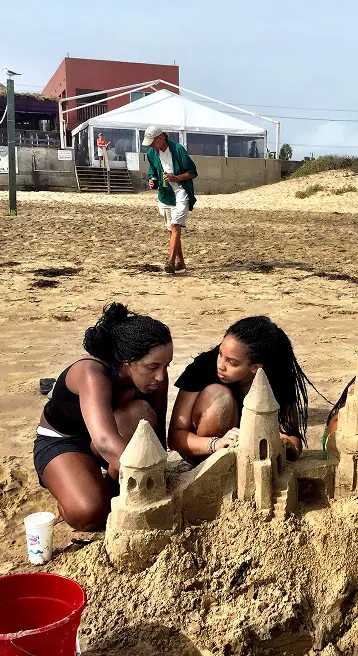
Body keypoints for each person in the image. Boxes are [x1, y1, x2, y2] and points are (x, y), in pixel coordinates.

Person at [34, 303, 172, 531]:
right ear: (127, 361)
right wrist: (148, 474)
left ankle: (104, 485)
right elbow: (105, 441)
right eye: (152, 367)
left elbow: (155, 433)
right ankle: (70, 486)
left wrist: (160, 472)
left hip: (110, 437)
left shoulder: (156, 379)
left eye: (166, 366)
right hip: (65, 440)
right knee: (90, 513)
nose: (160, 375)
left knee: (141, 415)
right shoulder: (91, 372)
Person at [169, 316, 310, 464]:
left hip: (249, 457)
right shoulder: (203, 367)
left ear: (255, 367)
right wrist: (216, 444)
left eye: (232, 362)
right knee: (220, 396)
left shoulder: (276, 377)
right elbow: (175, 437)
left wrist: (285, 445)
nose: (220, 365)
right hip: (203, 450)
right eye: (220, 353)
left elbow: (292, 439)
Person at [144, 125, 197, 274]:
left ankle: (170, 262)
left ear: (161, 138)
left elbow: (192, 172)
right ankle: (180, 262)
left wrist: (176, 178)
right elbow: (152, 172)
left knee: (175, 226)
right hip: (165, 195)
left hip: (181, 192)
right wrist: (152, 180)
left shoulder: (177, 149)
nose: (150, 145)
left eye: (152, 142)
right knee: (171, 229)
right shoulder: (151, 153)